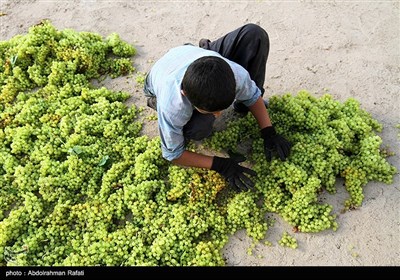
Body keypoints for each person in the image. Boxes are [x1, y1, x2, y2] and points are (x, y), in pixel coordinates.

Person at [143, 23, 291, 191]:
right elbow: (173, 154)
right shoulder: (173, 105)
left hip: (199, 59)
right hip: (162, 77)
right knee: (199, 128)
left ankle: (206, 50)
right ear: (185, 94)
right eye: (213, 111)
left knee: (254, 34)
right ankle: (154, 101)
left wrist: (268, 131)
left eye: (222, 108)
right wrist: (220, 165)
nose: (220, 114)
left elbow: (253, 96)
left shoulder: (236, 74)